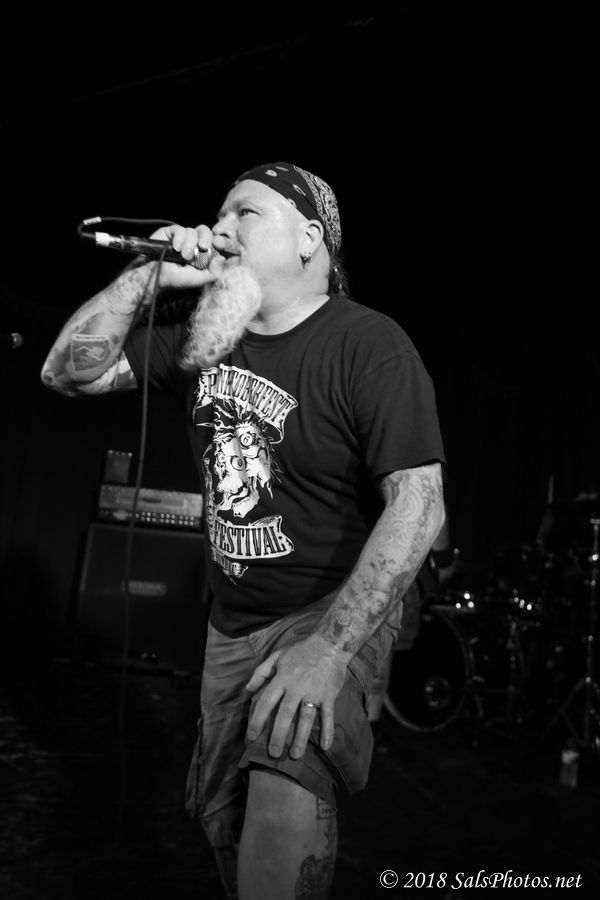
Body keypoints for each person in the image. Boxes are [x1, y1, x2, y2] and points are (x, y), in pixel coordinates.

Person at [41, 161, 446, 900]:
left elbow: (420, 505)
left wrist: (328, 650)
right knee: (225, 824)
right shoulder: (209, 334)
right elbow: (67, 373)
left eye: (246, 212)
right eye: (220, 211)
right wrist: (146, 279)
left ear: (309, 240)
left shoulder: (367, 343)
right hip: (232, 623)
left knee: (284, 787)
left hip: (329, 609)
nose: (220, 226)